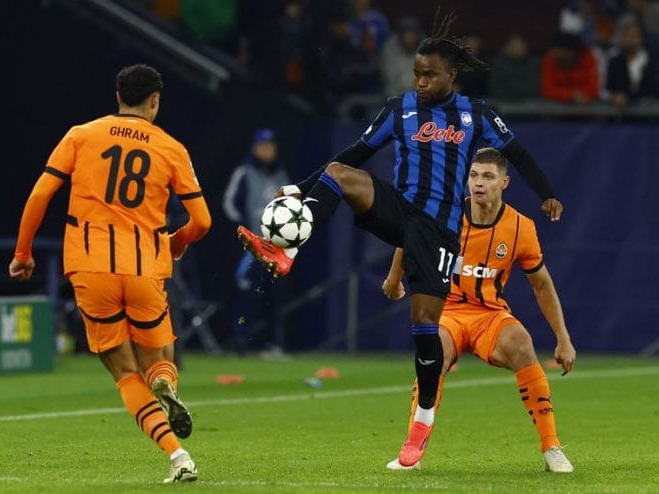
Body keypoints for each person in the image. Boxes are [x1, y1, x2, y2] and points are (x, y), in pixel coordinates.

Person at [237, 9, 563, 467]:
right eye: (417, 74)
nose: (421, 81)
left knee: (424, 329)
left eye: (430, 75)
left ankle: (423, 423)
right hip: (400, 209)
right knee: (339, 173)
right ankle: (286, 248)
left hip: (438, 231)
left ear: (450, 75)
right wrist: (299, 187)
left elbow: (520, 154)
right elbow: (357, 151)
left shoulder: (475, 115)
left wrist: (547, 193)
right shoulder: (400, 109)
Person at [8, 64, 212, 483]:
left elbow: (41, 194)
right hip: (144, 268)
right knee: (158, 360)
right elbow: (203, 221)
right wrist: (177, 241)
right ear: (155, 100)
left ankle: (178, 457)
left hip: (90, 266)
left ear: (118, 96)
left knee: (123, 371)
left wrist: (23, 252)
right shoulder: (171, 148)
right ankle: (164, 383)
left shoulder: (81, 135)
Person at [382, 147, 576, 472]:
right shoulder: (444, 213)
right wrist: (393, 279)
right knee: (434, 350)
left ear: (504, 182)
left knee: (522, 344)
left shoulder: (521, 227)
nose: (478, 183)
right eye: (473, 175)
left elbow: (542, 285)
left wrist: (563, 338)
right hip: (447, 311)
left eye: (487, 176)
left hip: (490, 315)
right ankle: (414, 444)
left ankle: (551, 446)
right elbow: (409, 237)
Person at [223, 128, 290, 355]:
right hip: (250, 247)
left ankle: (274, 343)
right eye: (263, 146)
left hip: (276, 247)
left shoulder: (281, 175)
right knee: (247, 293)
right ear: (255, 148)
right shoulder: (244, 172)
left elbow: (292, 208)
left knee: (275, 295)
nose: (267, 150)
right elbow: (229, 204)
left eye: (271, 146)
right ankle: (240, 340)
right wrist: (245, 230)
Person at [605, 20, 659, 106]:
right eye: (628, 36)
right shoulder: (614, 62)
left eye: (634, 36)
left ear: (641, 39)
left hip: (649, 110)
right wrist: (613, 97)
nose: (631, 40)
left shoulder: (652, 62)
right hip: (621, 111)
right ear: (622, 39)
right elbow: (606, 90)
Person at [541, 32, 600, 104]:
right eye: (553, 51)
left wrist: (580, 95)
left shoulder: (587, 58)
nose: (555, 55)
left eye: (561, 52)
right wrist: (570, 95)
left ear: (572, 52)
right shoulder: (550, 58)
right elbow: (547, 90)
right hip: (556, 104)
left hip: (585, 104)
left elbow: (593, 88)